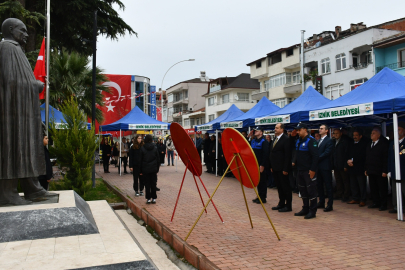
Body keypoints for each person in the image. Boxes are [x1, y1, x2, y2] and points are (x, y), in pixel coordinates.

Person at [0, 18, 54, 205]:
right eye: (22, 30)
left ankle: (33, 189)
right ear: (11, 29)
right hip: (13, 112)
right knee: (14, 149)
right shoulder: (8, 48)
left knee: (27, 148)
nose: (26, 34)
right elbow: (10, 82)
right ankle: (8, 193)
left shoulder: (16, 49)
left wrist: (33, 85)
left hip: (23, 110)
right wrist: (35, 85)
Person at [294, 123, 319, 219]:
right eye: (297, 130)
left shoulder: (311, 140)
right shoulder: (298, 141)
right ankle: (305, 208)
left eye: (299, 130)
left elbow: (315, 157)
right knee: (302, 190)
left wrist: (313, 170)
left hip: (308, 171)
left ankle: (313, 211)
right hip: (300, 170)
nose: (297, 132)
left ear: (305, 129)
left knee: (311, 191)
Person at [270, 124, 292, 212]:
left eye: (277, 128)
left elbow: (287, 155)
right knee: (279, 187)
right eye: (275, 128)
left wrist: (286, 169)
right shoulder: (275, 138)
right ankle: (281, 203)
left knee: (285, 187)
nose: (275, 129)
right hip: (275, 168)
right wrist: (271, 166)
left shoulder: (286, 139)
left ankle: (288, 205)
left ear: (282, 129)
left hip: (282, 168)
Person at [365, 128, 389, 211]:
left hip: (380, 171)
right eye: (371, 133)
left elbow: (385, 159)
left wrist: (384, 171)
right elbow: (367, 157)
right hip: (371, 170)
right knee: (373, 188)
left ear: (378, 135)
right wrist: (366, 169)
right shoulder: (369, 144)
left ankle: (383, 204)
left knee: (382, 188)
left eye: (374, 133)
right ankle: (376, 202)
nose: (371, 134)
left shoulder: (383, 144)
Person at [388, 122, 405, 213]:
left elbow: (402, 154)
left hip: (403, 170)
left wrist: (399, 152)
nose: (397, 132)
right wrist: (389, 170)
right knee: (395, 190)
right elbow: (390, 157)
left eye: (399, 129)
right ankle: (397, 207)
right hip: (395, 170)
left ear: (404, 131)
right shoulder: (392, 143)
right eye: (396, 130)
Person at [316, 124, 334, 212]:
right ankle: (321, 201)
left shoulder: (329, 141)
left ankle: (330, 204)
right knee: (319, 185)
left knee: (328, 186)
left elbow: (327, 152)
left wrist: (317, 158)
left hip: (325, 166)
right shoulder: (318, 141)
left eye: (322, 129)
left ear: (326, 130)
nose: (320, 130)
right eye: (319, 128)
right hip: (318, 167)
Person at [250, 127, 269, 204]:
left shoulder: (264, 141)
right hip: (255, 164)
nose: (255, 132)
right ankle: (259, 196)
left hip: (261, 165)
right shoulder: (253, 140)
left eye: (257, 131)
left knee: (262, 181)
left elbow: (266, 154)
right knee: (258, 181)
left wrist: (262, 165)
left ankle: (263, 197)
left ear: (261, 132)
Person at [140, 135, 160, 204]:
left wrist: (141, 170)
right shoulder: (155, 148)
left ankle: (148, 198)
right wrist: (157, 169)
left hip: (145, 169)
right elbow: (158, 159)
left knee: (147, 184)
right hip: (153, 169)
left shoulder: (142, 148)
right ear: (151, 140)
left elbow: (140, 160)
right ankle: (154, 198)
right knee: (153, 183)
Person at [332, 128, 350, 202]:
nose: (335, 135)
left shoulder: (344, 142)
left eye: (337, 133)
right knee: (338, 180)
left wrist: (345, 165)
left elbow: (346, 154)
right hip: (336, 165)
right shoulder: (333, 142)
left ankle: (346, 195)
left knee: (345, 181)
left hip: (342, 164)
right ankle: (339, 193)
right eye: (334, 133)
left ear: (341, 134)